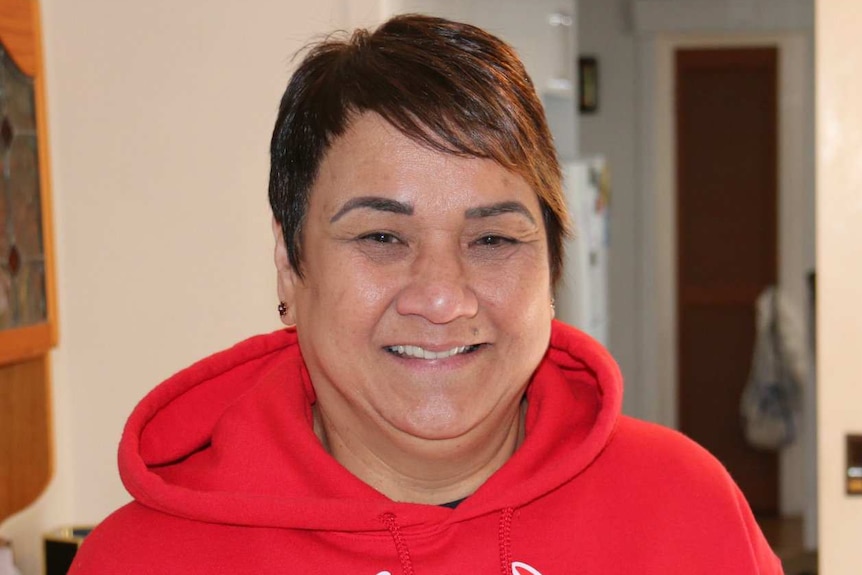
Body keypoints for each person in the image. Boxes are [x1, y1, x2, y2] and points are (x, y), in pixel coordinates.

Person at [70, 14, 783, 574]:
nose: (442, 298)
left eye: (494, 240)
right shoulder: (142, 560)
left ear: (553, 270)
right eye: (382, 237)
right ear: (290, 267)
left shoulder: (687, 511)